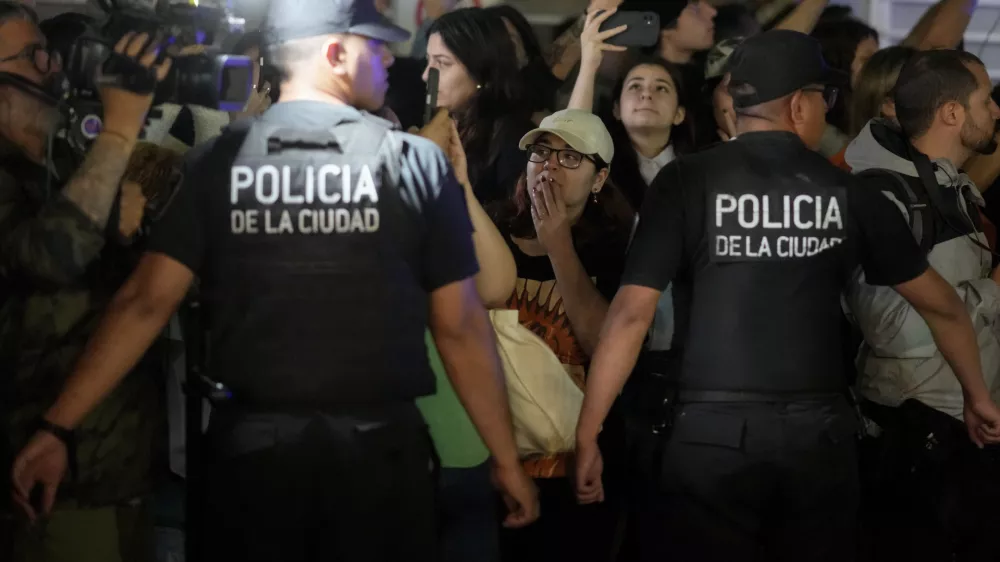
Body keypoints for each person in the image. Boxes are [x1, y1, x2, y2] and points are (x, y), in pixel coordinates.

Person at [9, 0, 539, 561]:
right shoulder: (414, 163)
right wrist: (504, 460)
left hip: (252, 460)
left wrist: (56, 427)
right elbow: (458, 324)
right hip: (376, 460)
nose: (392, 62)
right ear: (335, 54)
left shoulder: (221, 162)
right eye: (377, 49)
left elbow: (145, 301)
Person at [572, 30, 1000, 561]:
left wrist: (588, 430)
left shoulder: (685, 181)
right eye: (826, 97)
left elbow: (630, 315)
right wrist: (978, 397)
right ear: (799, 105)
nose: (827, 109)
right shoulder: (850, 192)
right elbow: (942, 306)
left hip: (709, 436)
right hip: (815, 441)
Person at [0, 2, 173, 559]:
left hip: (120, 457)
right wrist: (119, 131)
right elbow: (48, 256)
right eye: (33, 56)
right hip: (49, 471)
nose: (54, 67)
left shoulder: (65, 161)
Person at [843, 48, 1000, 562]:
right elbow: (891, 328)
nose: (996, 110)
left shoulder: (949, 189)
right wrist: (995, 288)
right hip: (916, 440)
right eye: (986, 99)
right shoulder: (886, 195)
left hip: (959, 431)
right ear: (952, 113)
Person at [490, 108, 632, 562]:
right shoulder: (492, 231)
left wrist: (558, 246)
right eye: (541, 153)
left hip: (574, 462)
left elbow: (604, 346)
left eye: (571, 158)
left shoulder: (615, 248)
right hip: (493, 451)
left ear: (598, 178)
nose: (550, 167)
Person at [424, 8, 534, 204]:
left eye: (442, 63)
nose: (426, 75)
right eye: (428, 61)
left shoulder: (514, 141)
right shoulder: (437, 123)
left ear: (481, 70)